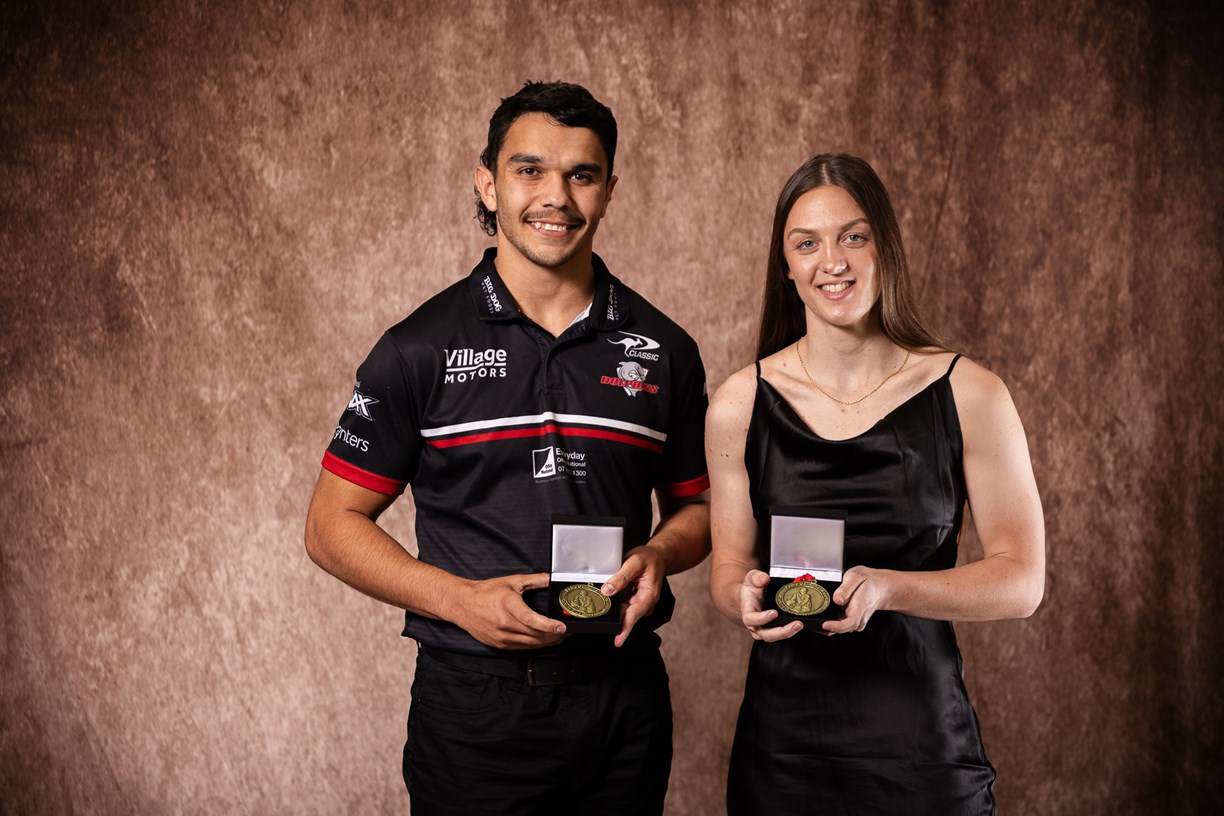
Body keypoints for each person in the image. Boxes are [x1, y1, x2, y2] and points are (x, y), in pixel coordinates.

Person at [305, 82, 711, 815]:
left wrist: (658, 554)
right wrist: (457, 600)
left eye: (581, 175)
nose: (556, 196)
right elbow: (330, 526)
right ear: (488, 184)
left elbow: (699, 511)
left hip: (623, 701)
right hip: (473, 710)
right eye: (530, 170)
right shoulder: (416, 349)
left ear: (608, 191)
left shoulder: (665, 350)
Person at [706, 153, 1045, 814]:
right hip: (782, 754)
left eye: (853, 237)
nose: (831, 261)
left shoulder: (972, 393)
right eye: (807, 243)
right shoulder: (739, 403)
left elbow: (1021, 582)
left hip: (922, 748)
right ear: (786, 267)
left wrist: (890, 589)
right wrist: (738, 597)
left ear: (885, 247)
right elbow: (729, 566)